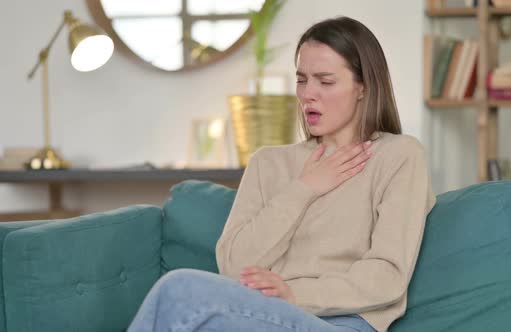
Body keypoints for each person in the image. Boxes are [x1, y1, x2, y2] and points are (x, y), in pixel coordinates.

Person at [127, 16, 436, 332]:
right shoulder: (268, 163)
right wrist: (303, 188)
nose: (307, 94)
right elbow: (233, 266)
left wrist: (294, 294)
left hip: (344, 324)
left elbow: (387, 277)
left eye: (325, 81)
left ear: (363, 87)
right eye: (302, 80)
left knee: (178, 289)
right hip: (260, 316)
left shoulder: (399, 155)